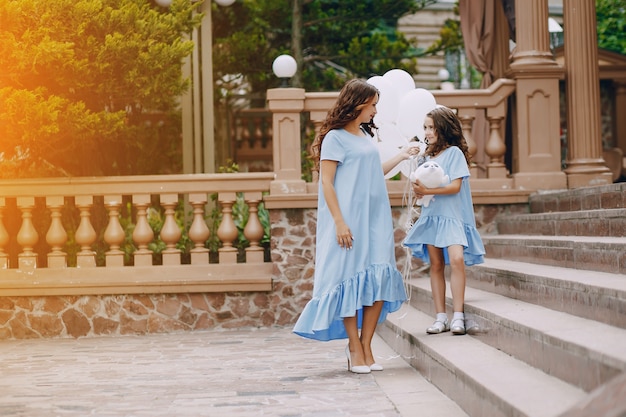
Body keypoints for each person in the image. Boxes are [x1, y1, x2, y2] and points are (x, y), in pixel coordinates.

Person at [293, 78, 416, 374]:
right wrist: (339, 222)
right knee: (350, 280)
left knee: (378, 281)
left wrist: (401, 155)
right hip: (348, 219)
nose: (375, 110)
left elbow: (375, 171)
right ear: (358, 104)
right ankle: (353, 347)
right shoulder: (334, 138)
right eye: (372, 105)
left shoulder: (363, 136)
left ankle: (367, 345)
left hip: (376, 218)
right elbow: (326, 182)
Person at [402, 106, 485, 336]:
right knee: (436, 265)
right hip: (432, 217)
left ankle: (458, 315)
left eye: (431, 127)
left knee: (456, 260)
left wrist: (428, 190)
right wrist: (419, 191)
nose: (427, 132)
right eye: (425, 128)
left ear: (443, 128)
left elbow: (455, 186)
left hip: (453, 217)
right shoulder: (425, 157)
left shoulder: (454, 153)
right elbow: (422, 189)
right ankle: (440, 317)